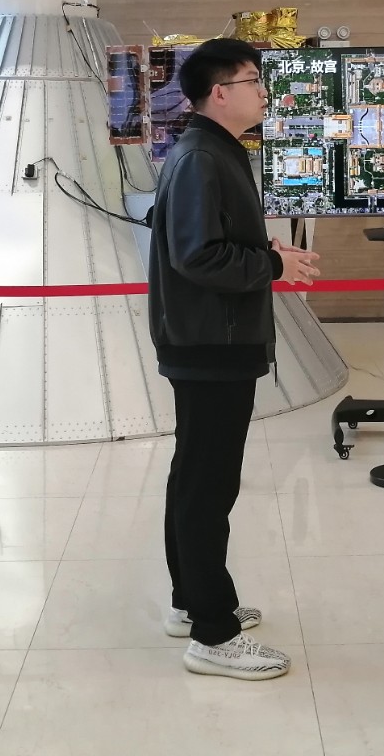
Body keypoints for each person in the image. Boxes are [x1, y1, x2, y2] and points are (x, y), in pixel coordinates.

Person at [147, 37, 319, 680]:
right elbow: (197, 256)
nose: (264, 92)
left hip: (209, 338)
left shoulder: (214, 150)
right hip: (209, 342)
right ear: (220, 92)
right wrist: (271, 264)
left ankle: (191, 602)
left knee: (196, 476)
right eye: (252, 80)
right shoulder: (201, 156)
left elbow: (211, 239)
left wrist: (266, 252)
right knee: (208, 484)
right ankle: (213, 635)